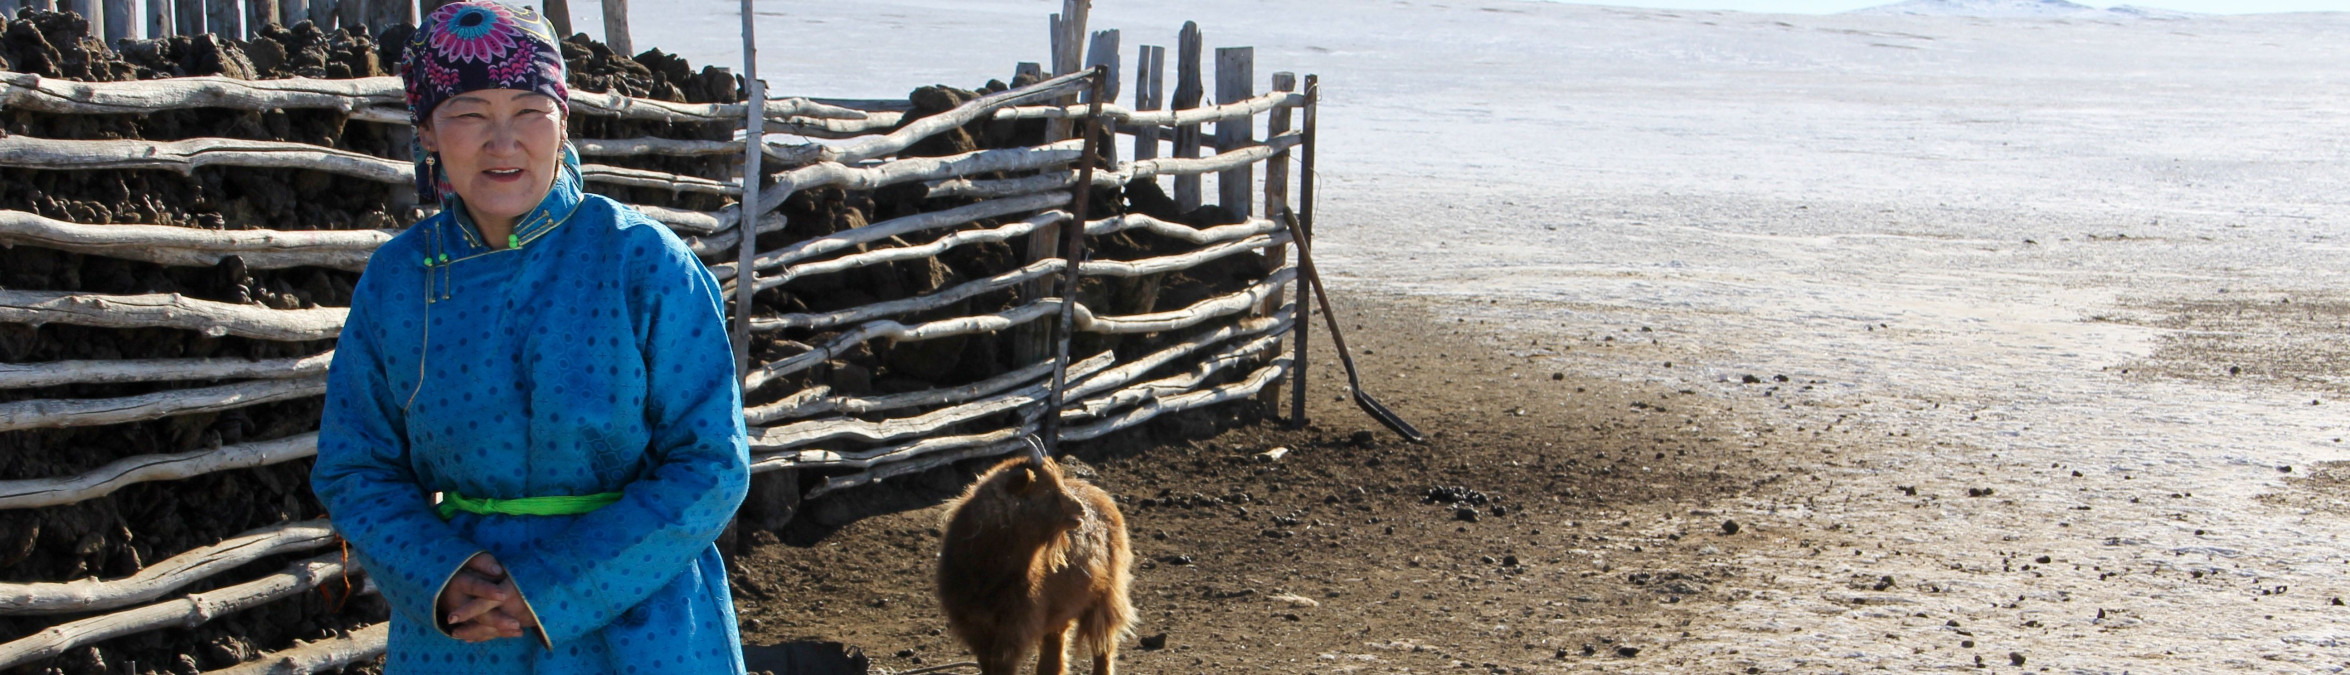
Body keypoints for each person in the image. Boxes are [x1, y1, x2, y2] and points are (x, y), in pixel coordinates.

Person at [310, 2, 749, 672]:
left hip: (640, 624)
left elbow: (712, 464)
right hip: (463, 631)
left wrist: (553, 585)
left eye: (528, 109)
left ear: (563, 119)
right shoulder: (399, 282)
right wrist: (441, 574)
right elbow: (355, 465)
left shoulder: (644, 263)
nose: (502, 141)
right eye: (469, 114)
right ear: (427, 130)